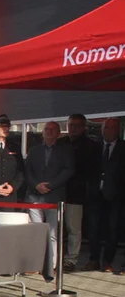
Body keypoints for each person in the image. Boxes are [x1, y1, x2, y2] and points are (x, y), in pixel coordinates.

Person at [24, 121, 75, 271]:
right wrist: (36, 185)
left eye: (53, 129)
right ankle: (36, 263)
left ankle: (51, 265)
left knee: (53, 233)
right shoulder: (34, 150)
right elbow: (27, 172)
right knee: (37, 231)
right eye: (47, 129)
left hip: (54, 197)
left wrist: (50, 185)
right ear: (42, 132)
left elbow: (68, 170)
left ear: (59, 133)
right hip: (34, 196)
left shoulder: (65, 150)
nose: (49, 131)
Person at [85, 117, 124, 273]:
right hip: (95, 193)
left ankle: (107, 261)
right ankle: (94, 259)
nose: (106, 130)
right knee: (93, 228)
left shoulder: (122, 147)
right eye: (105, 127)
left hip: (115, 195)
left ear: (117, 130)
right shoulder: (95, 146)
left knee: (112, 228)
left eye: (110, 127)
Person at [63, 114, 99, 271]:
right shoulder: (61, 143)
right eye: (71, 124)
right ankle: (53, 259)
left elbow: (93, 171)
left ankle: (71, 260)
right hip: (57, 191)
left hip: (78, 193)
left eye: (77, 125)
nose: (73, 128)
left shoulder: (91, 146)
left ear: (84, 127)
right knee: (54, 229)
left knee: (74, 229)